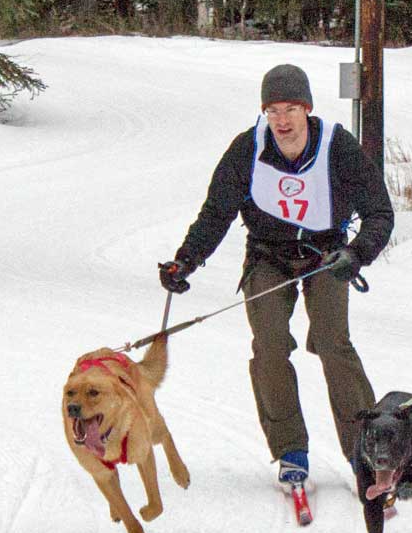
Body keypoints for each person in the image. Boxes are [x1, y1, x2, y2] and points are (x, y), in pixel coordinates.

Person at [159, 63, 394, 485]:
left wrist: (357, 254)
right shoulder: (247, 150)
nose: (282, 121)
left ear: (307, 108)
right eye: (273, 111)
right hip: (268, 257)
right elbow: (217, 213)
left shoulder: (337, 147)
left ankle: (364, 447)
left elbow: (379, 212)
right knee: (269, 346)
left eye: (290, 109)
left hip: (327, 256)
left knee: (332, 343)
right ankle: (290, 449)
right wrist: (187, 259)